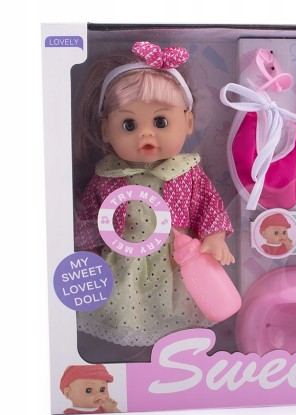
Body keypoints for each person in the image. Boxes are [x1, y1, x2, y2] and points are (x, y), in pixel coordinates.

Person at [73, 42, 234, 362]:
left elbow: (209, 204)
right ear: (106, 129)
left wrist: (215, 237)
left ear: (188, 122)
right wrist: (89, 255)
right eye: (129, 125)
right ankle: (129, 359)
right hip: (124, 263)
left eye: (160, 122)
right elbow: (89, 216)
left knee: (181, 318)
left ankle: (177, 358)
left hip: (179, 261)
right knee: (126, 316)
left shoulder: (187, 172)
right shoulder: (107, 176)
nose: (146, 135)